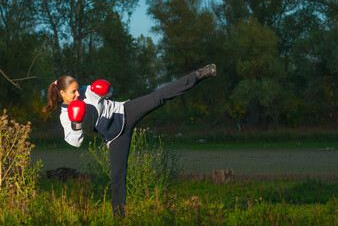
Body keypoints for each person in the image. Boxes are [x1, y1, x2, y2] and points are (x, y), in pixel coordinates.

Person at [43, 64, 217, 216]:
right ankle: (120, 220)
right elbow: (76, 142)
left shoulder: (85, 91)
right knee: (117, 178)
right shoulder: (66, 116)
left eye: (77, 89)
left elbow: (109, 93)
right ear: (62, 93)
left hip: (125, 111)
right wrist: (77, 122)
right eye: (73, 92)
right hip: (116, 137)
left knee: (159, 96)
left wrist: (103, 88)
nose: (77, 94)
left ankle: (199, 75)